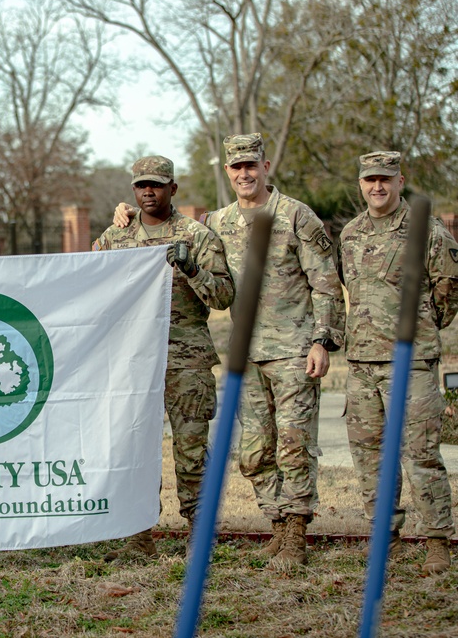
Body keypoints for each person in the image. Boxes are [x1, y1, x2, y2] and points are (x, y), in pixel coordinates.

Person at [113, 133, 345, 567]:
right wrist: (122, 215)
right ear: (227, 171)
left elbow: (326, 282)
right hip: (246, 354)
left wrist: (322, 339)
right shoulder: (217, 223)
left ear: (265, 165)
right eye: (236, 167)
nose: (244, 173)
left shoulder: (296, 216)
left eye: (251, 165)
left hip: (293, 349)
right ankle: (278, 524)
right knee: (254, 452)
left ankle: (294, 533)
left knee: (293, 444)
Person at [93, 156, 233, 560]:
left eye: (156, 184)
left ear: (174, 189)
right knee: (136, 451)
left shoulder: (196, 236)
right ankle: (138, 538)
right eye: (141, 186)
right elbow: (86, 281)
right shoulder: (117, 236)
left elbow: (223, 297)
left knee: (191, 453)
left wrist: (192, 269)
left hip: (186, 361)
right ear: (133, 191)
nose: (148, 192)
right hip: (134, 363)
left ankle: (201, 536)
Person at [337, 151, 457, 574]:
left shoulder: (427, 231)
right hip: (361, 363)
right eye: (370, 179)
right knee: (369, 456)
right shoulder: (350, 233)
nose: (377, 187)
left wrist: (421, 328)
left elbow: (448, 289)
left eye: (385, 179)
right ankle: (385, 535)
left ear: (400, 180)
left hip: (411, 363)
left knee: (420, 454)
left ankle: (437, 540)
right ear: (361, 184)